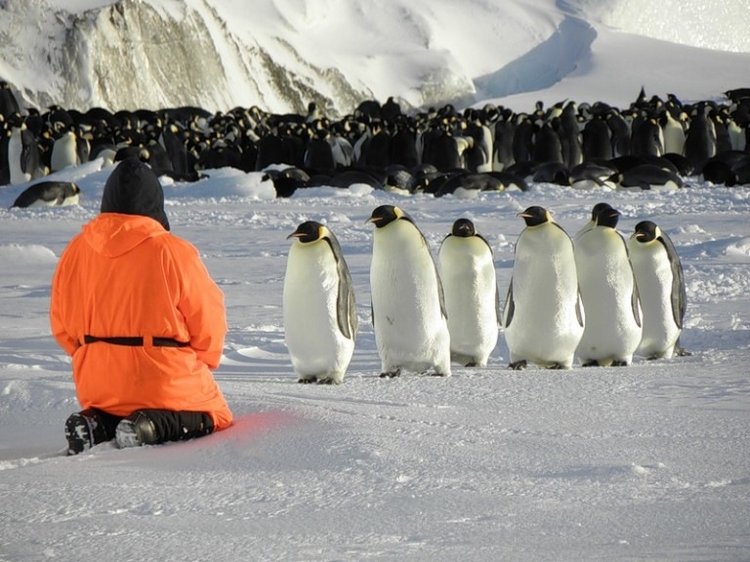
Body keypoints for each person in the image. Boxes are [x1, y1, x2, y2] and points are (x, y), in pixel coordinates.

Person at [50, 157, 233, 454]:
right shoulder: (172, 251)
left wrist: (92, 353)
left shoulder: (75, 250)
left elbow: (62, 324)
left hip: (97, 381)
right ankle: (149, 427)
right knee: (217, 416)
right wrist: (203, 359)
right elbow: (208, 318)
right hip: (163, 379)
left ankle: (98, 424)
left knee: (114, 406)